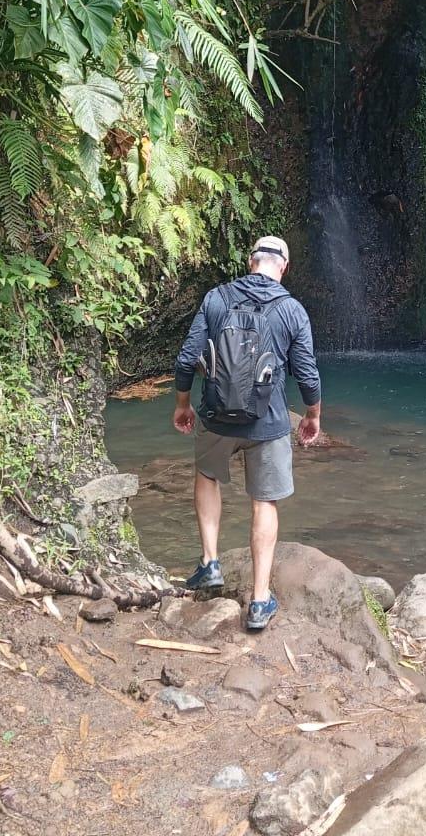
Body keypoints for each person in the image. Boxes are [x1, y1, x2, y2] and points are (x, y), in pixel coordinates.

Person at [173, 235, 322, 631]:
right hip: (268, 423)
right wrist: (312, 415)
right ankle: (258, 601)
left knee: (207, 475)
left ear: (250, 261)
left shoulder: (216, 298)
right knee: (264, 501)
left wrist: (183, 404)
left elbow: (187, 359)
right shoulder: (291, 309)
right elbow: (307, 374)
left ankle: (210, 562)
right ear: (284, 267)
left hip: (216, 416)